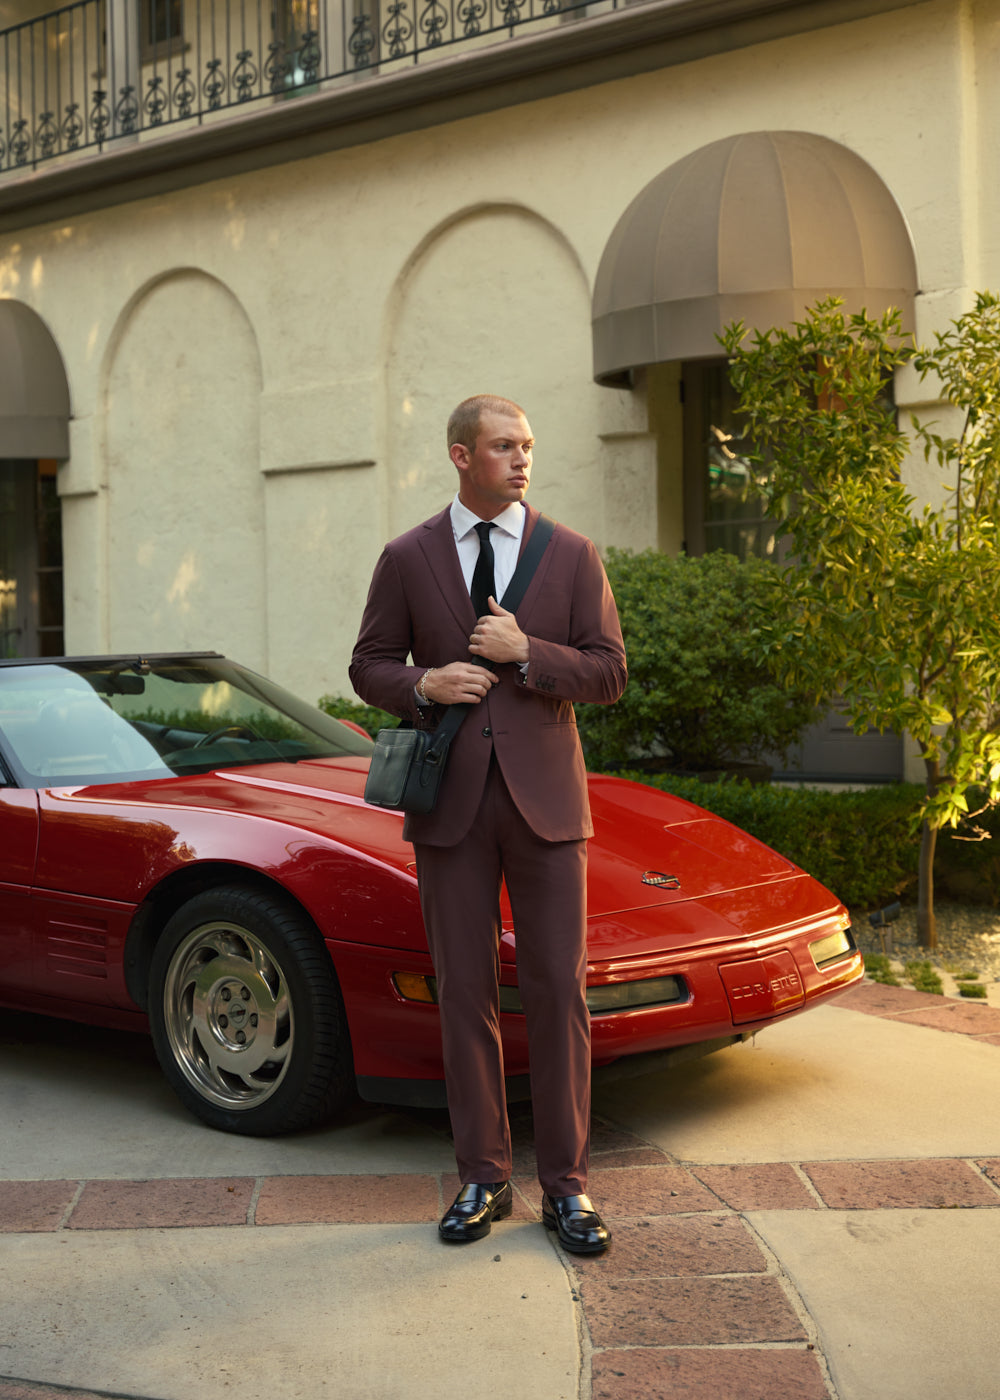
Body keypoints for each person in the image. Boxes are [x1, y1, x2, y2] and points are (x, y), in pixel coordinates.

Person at [349, 394, 627, 1254]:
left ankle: (568, 1189)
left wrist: (527, 656)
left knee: (559, 994)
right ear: (461, 455)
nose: (522, 459)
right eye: (504, 446)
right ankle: (482, 1178)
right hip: (452, 808)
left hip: (547, 807)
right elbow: (368, 666)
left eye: (529, 446)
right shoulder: (408, 556)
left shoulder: (572, 555)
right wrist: (426, 684)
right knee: (464, 994)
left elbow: (610, 673)